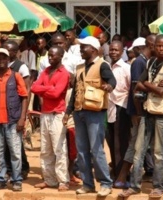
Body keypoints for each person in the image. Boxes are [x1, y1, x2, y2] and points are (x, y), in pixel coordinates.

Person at [119, 34, 163, 198]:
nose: (160, 48)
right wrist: (154, 85)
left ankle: (158, 186)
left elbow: (161, 91)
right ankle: (135, 186)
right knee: (139, 151)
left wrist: (149, 85)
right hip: (147, 111)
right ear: (153, 46)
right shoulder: (150, 62)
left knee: (159, 152)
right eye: (158, 45)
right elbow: (138, 85)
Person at [63, 36, 116, 197]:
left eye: (84, 47)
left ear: (93, 49)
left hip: (95, 113)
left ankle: (106, 183)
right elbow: (75, 92)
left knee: (96, 149)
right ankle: (88, 184)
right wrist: (68, 112)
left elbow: (112, 80)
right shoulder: (79, 67)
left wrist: (109, 86)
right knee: (82, 150)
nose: (81, 49)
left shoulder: (102, 65)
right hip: (79, 112)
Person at [0, 48, 28, 192]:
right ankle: (0, 179)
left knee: (15, 152)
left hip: (13, 121)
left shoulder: (16, 76)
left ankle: (16, 180)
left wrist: (22, 118)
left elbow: (24, 97)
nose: (2, 60)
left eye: (4, 58)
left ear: (8, 60)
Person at [32, 46, 70, 191]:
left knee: (59, 148)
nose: (50, 58)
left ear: (61, 56)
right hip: (45, 113)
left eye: (53, 56)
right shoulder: (46, 71)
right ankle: (49, 179)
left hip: (57, 114)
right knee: (45, 149)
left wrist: (43, 89)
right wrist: (49, 88)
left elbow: (56, 94)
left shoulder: (64, 73)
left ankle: (63, 181)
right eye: (49, 55)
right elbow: (34, 87)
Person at [114, 36, 150, 189]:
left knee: (138, 144)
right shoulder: (139, 63)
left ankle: (124, 178)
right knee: (136, 145)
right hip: (139, 112)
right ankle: (127, 179)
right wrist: (138, 113)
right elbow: (136, 90)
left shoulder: (146, 62)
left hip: (143, 112)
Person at [1, 40, 31, 179]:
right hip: (4, 108)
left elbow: (26, 89)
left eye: (8, 49)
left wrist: (24, 114)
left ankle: (23, 168)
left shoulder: (21, 67)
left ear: (15, 52)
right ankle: (9, 169)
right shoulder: (1, 65)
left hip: (17, 108)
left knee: (16, 141)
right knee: (6, 141)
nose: (6, 51)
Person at [107, 40, 131, 179]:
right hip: (108, 108)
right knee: (111, 141)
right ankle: (116, 170)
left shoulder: (126, 68)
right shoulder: (107, 66)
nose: (114, 52)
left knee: (121, 143)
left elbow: (130, 89)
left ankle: (122, 173)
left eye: (116, 50)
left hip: (121, 107)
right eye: (112, 50)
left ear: (122, 52)